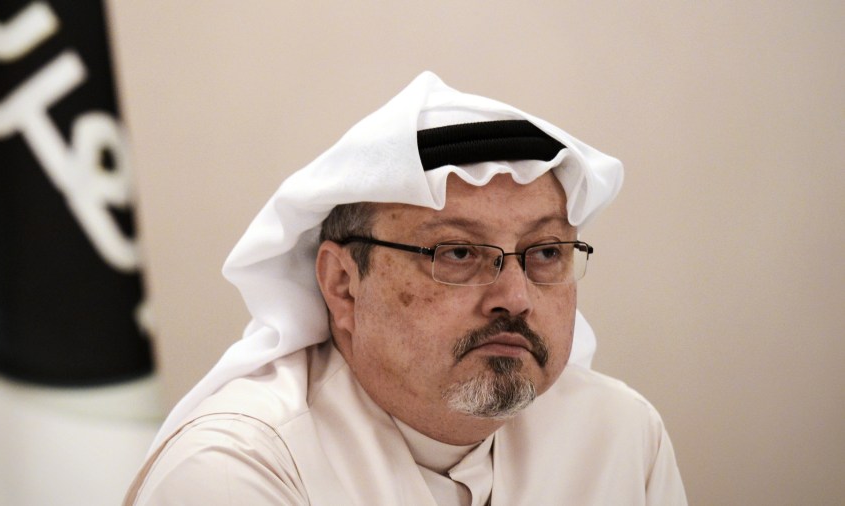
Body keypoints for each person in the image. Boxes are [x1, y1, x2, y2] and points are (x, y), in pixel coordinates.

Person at [124, 72, 687, 505]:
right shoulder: (238, 467)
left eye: (544, 253)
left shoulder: (621, 434)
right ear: (343, 286)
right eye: (459, 253)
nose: (514, 297)